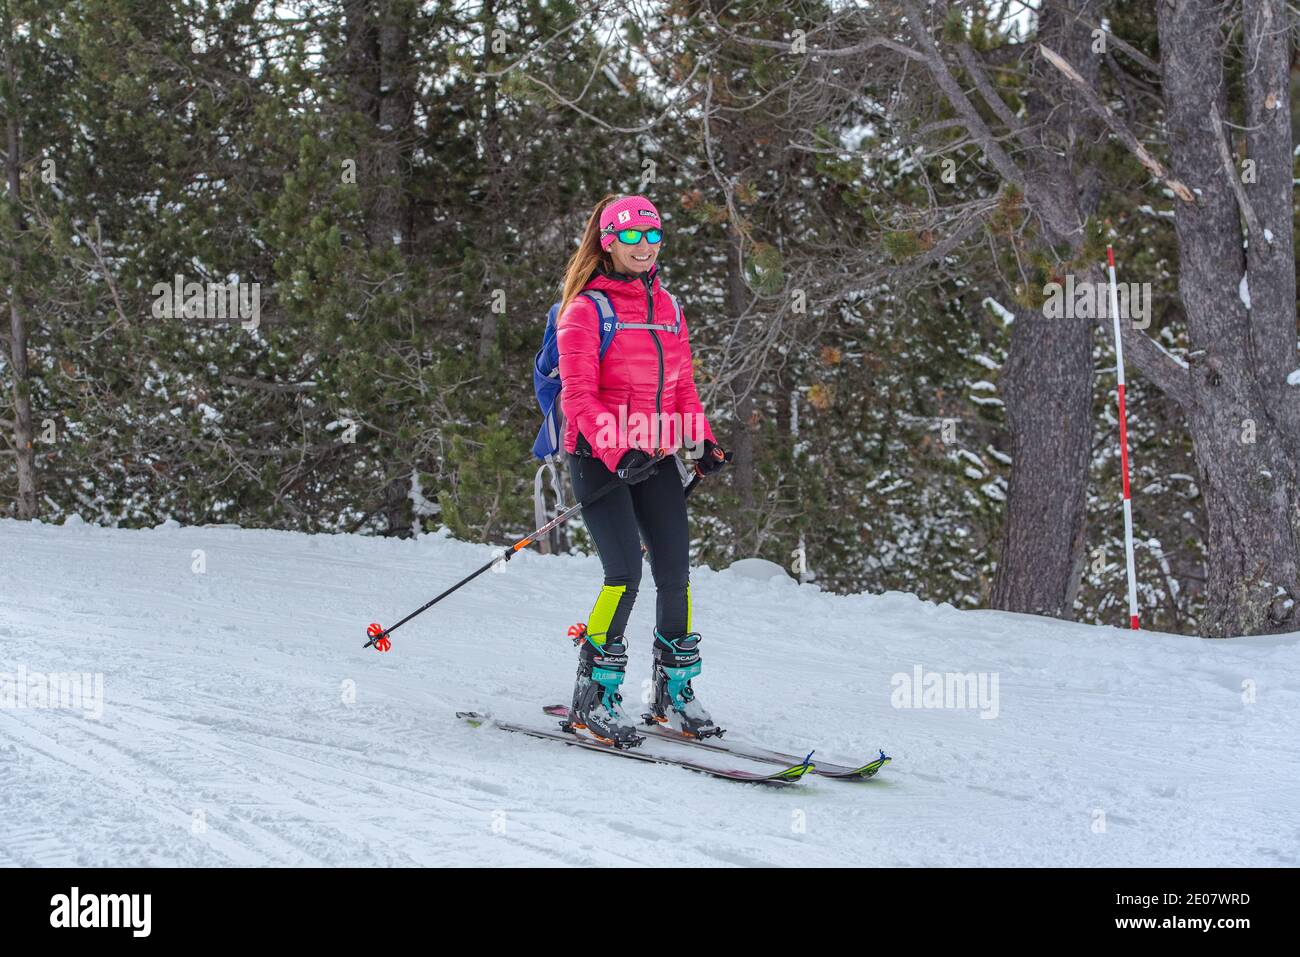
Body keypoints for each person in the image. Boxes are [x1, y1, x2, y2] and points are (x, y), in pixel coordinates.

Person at [555, 193, 729, 746]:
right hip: (599, 460)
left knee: (674, 572)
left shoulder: (670, 308)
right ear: (608, 242)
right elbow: (578, 398)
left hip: (655, 458)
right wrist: (617, 449)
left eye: (652, 234)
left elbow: (682, 390)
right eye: (631, 236)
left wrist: (700, 442)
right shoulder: (585, 310)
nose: (644, 245)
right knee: (625, 571)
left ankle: (673, 691)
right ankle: (595, 695)